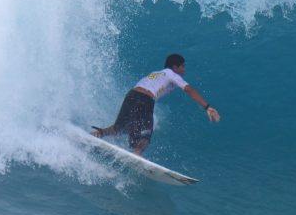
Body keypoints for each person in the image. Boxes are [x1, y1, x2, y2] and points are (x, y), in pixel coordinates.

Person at [91, 54, 220, 155]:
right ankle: (137, 155)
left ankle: (96, 134)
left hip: (131, 95)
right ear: (175, 67)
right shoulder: (172, 74)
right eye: (182, 66)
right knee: (145, 137)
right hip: (145, 99)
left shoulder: (156, 73)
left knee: (119, 128)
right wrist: (207, 107)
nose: (184, 70)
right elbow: (189, 89)